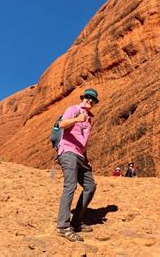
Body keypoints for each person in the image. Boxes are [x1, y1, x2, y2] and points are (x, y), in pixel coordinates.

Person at [56, 88, 99, 242]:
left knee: (90, 186)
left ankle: (76, 222)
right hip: (68, 152)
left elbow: (83, 142)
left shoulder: (89, 118)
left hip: (80, 156)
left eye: (92, 99)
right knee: (70, 186)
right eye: (87, 97)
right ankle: (63, 226)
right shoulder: (73, 109)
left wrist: (86, 159)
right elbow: (62, 125)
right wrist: (76, 119)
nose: (89, 100)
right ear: (83, 98)